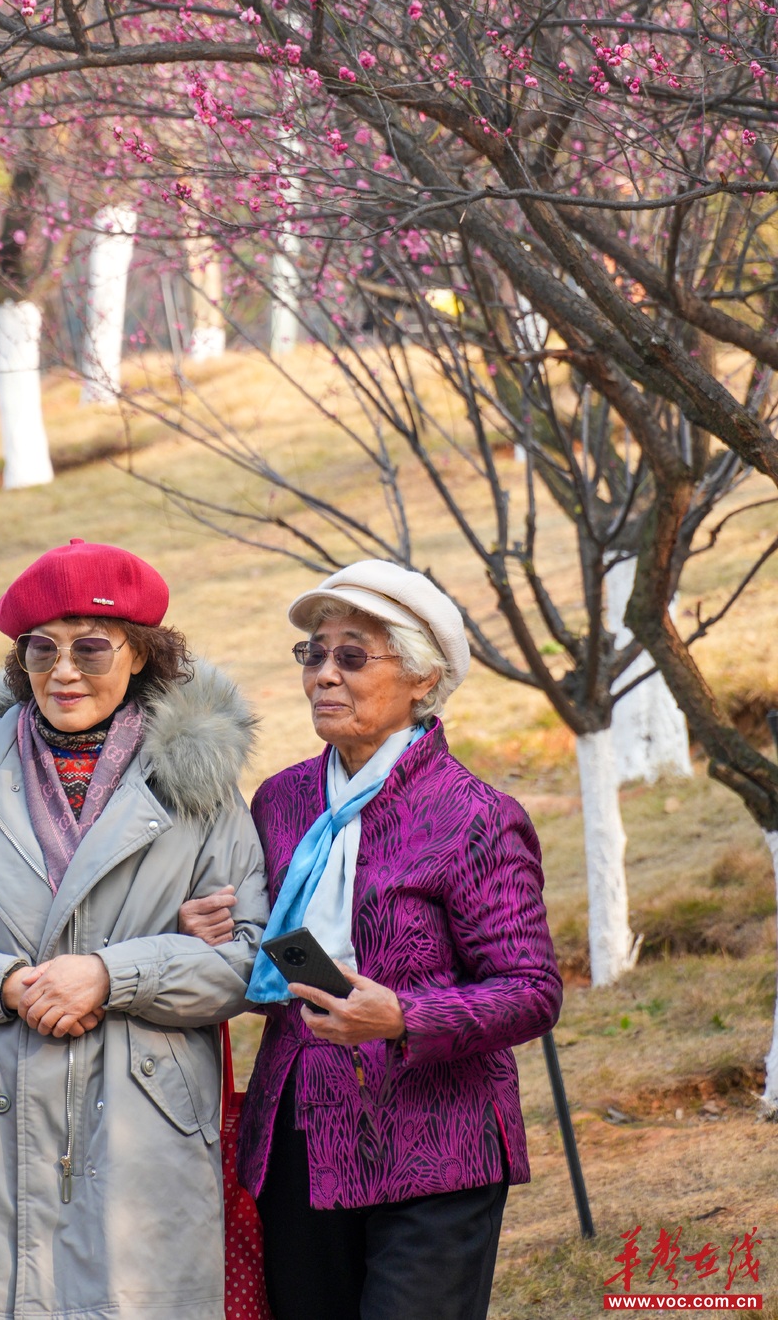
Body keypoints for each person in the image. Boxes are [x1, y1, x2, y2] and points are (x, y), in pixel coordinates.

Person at [0, 537, 268, 1320]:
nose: (64, 671)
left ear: (141, 653)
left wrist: (112, 975)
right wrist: (6, 985)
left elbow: (252, 959)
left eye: (91, 647)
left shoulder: (198, 785)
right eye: (41, 649)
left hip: (145, 1126)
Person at [180, 559, 562, 1320]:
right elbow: (270, 954)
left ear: (423, 678)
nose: (324, 674)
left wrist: (404, 1017)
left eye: (352, 656)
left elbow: (531, 991)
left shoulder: (475, 816)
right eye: (314, 654)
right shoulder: (282, 800)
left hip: (437, 1148)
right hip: (299, 1136)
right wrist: (211, 933)